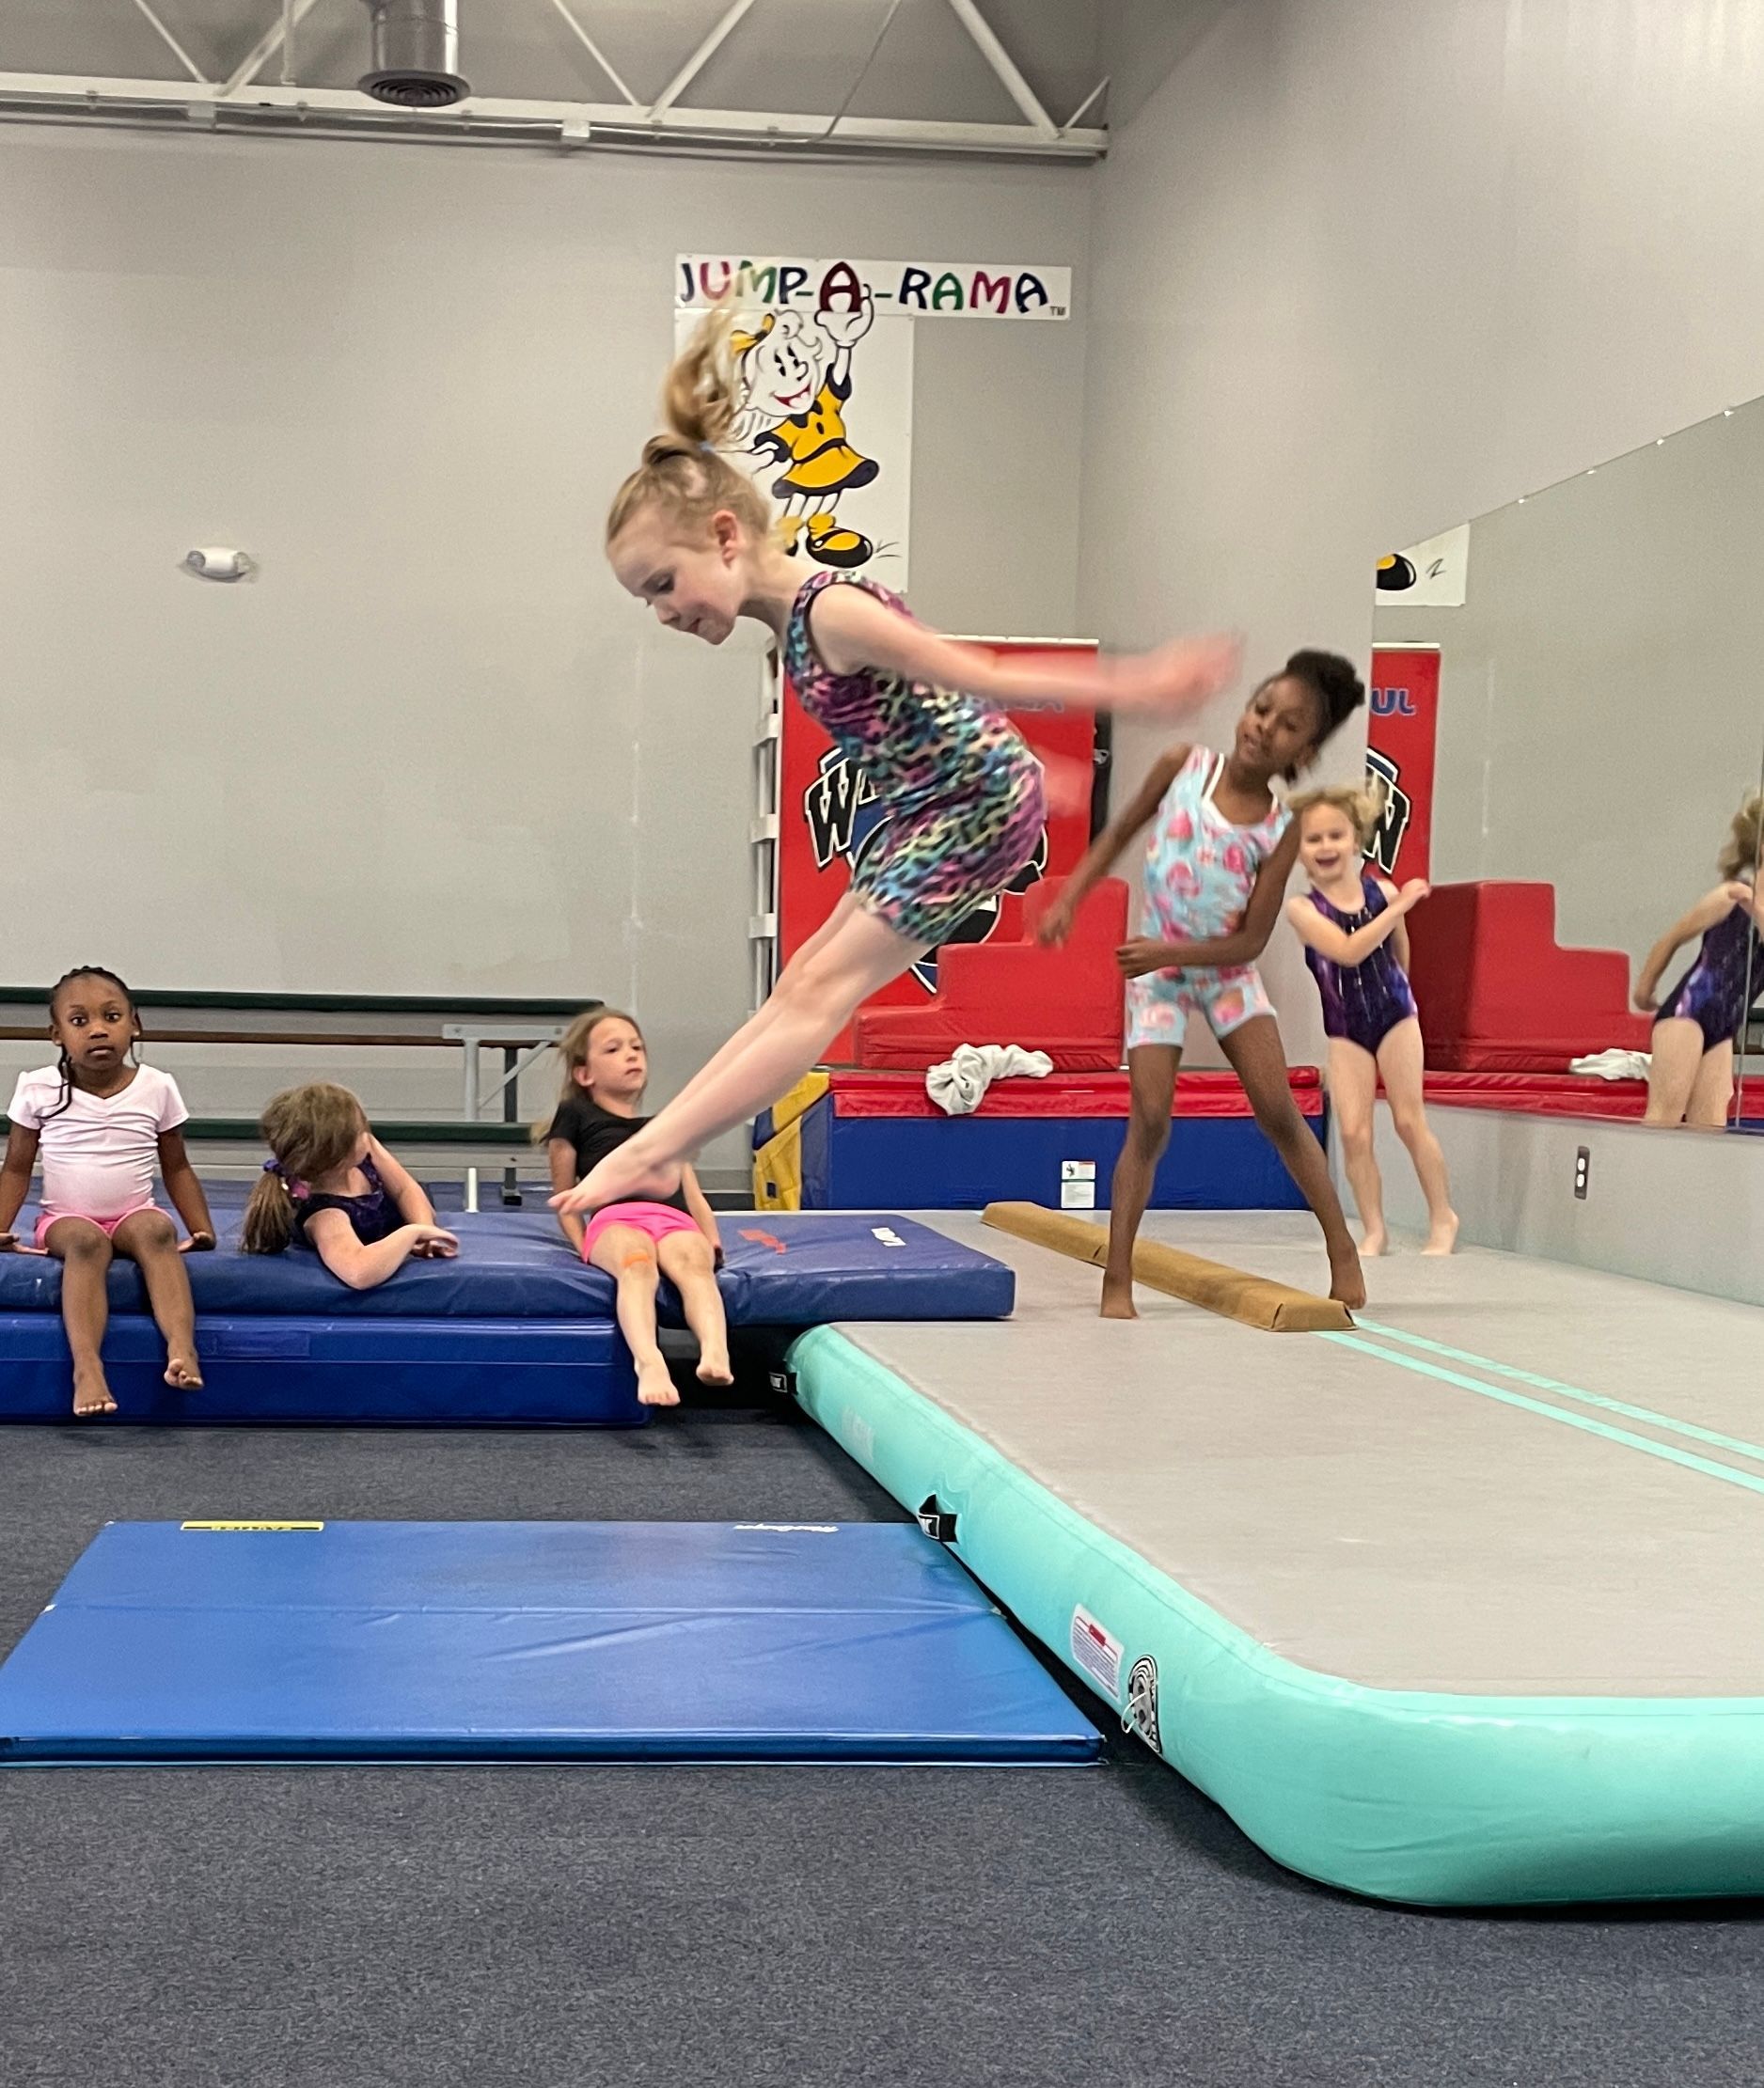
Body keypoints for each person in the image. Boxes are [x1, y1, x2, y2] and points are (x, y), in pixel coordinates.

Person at [550, 304, 1241, 1221]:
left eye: (662, 586)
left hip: (969, 813)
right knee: (799, 981)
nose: (663, 613)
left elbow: (973, 668)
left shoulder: (829, 613)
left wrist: (1138, 685)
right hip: (942, 804)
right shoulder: (790, 628)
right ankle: (658, 1145)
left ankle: (650, 1151)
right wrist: (1035, 766)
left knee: (816, 997)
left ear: (724, 537)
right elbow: (929, 710)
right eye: (645, 599)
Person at [1038, 654, 1369, 1317]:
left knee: (1279, 1110)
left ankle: (1342, 1250)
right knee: (1151, 1120)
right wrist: (1070, 896)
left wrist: (1165, 948)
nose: (1263, 727)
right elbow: (1119, 832)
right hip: (1157, 979)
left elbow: (1249, 941)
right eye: (1262, 707)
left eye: (1287, 726)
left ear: (1303, 750)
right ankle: (1118, 1277)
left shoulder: (1283, 829)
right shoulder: (1183, 765)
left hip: (1224, 974)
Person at [0, 966, 215, 1416]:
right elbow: (17, 1168)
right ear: (56, 1034)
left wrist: (200, 1228)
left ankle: (182, 1348)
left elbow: (175, 1166)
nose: (98, 1029)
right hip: (65, 1220)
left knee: (157, 1230)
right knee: (85, 1243)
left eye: (112, 1017)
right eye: (80, 1021)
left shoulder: (157, 1086)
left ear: (134, 1024)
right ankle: (87, 1368)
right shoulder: (38, 1087)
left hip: (133, 1212)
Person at [1284, 787, 1457, 1255]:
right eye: (1313, 839)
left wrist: (1403, 998)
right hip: (1345, 1027)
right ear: (1299, 850)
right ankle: (1375, 1228)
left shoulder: (1381, 891)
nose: (1325, 848)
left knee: (1407, 1120)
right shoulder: (1302, 910)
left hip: (1395, 1015)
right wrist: (1400, 906)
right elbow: (1346, 950)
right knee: (1354, 1131)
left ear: (1355, 837)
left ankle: (1443, 1217)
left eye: (1335, 836)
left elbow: (1401, 953)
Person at [540, 1007, 731, 1407]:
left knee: (694, 1267)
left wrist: (710, 1238)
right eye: (613, 1049)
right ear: (584, 1074)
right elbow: (564, 1196)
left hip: (674, 1219)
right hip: (616, 1219)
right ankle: (649, 1361)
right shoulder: (576, 1114)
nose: (631, 1055)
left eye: (637, 1047)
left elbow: (692, 1192)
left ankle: (715, 1350)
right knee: (637, 1265)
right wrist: (583, 1246)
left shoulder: (664, 1124)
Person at [243, 1081, 458, 1284]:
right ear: (339, 1153)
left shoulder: (366, 1151)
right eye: (358, 1131)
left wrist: (426, 1230)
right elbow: (358, 1272)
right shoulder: (325, 1215)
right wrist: (411, 1234)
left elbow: (405, 1189)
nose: (366, 1133)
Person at [1634, 793, 1764, 1127]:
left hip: (1722, 1029)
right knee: (1664, 1117)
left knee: (1709, 1133)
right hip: (1686, 1014)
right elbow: (1673, 938)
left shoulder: (1754, 907)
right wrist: (1645, 988)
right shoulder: (1730, 897)